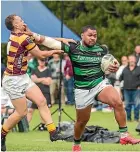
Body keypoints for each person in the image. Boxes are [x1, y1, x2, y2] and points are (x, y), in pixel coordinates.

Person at [29, 25, 140, 151]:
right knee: (82, 122)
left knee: (117, 101)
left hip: (99, 84)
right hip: (82, 89)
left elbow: (111, 62)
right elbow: (48, 42)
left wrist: (114, 66)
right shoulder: (73, 47)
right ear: (82, 36)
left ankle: (124, 135)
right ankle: (76, 144)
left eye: (95, 35)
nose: (93, 38)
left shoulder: (102, 49)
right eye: (90, 35)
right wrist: (31, 34)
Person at [1, 14, 74, 151]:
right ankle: (1, 135)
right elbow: (40, 54)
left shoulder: (21, 35)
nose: (23, 21)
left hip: (22, 76)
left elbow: (40, 39)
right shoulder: (22, 38)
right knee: (21, 112)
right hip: (12, 80)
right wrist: (57, 50)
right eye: (20, 20)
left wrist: (62, 40)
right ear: (16, 25)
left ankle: (53, 132)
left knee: (41, 101)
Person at [27, 59, 52, 130]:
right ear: (38, 61)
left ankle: (43, 126)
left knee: (43, 110)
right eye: (40, 61)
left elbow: (49, 82)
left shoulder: (48, 70)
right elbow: (33, 80)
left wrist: (38, 79)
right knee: (31, 110)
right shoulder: (35, 70)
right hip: (36, 93)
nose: (42, 62)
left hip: (45, 92)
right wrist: (43, 79)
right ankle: (26, 126)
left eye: (43, 61)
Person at [119, 55, 140, 122]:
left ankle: (136, 119)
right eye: (130, 60)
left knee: (137, 105)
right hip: (126, 89)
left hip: (136, 89)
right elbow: (120, 78)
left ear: (135, 60)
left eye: (133, 60)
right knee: (127, 105)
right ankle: (128, 119)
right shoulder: (125, 69)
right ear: (128, 61)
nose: (132, 61)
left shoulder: (139, 68)